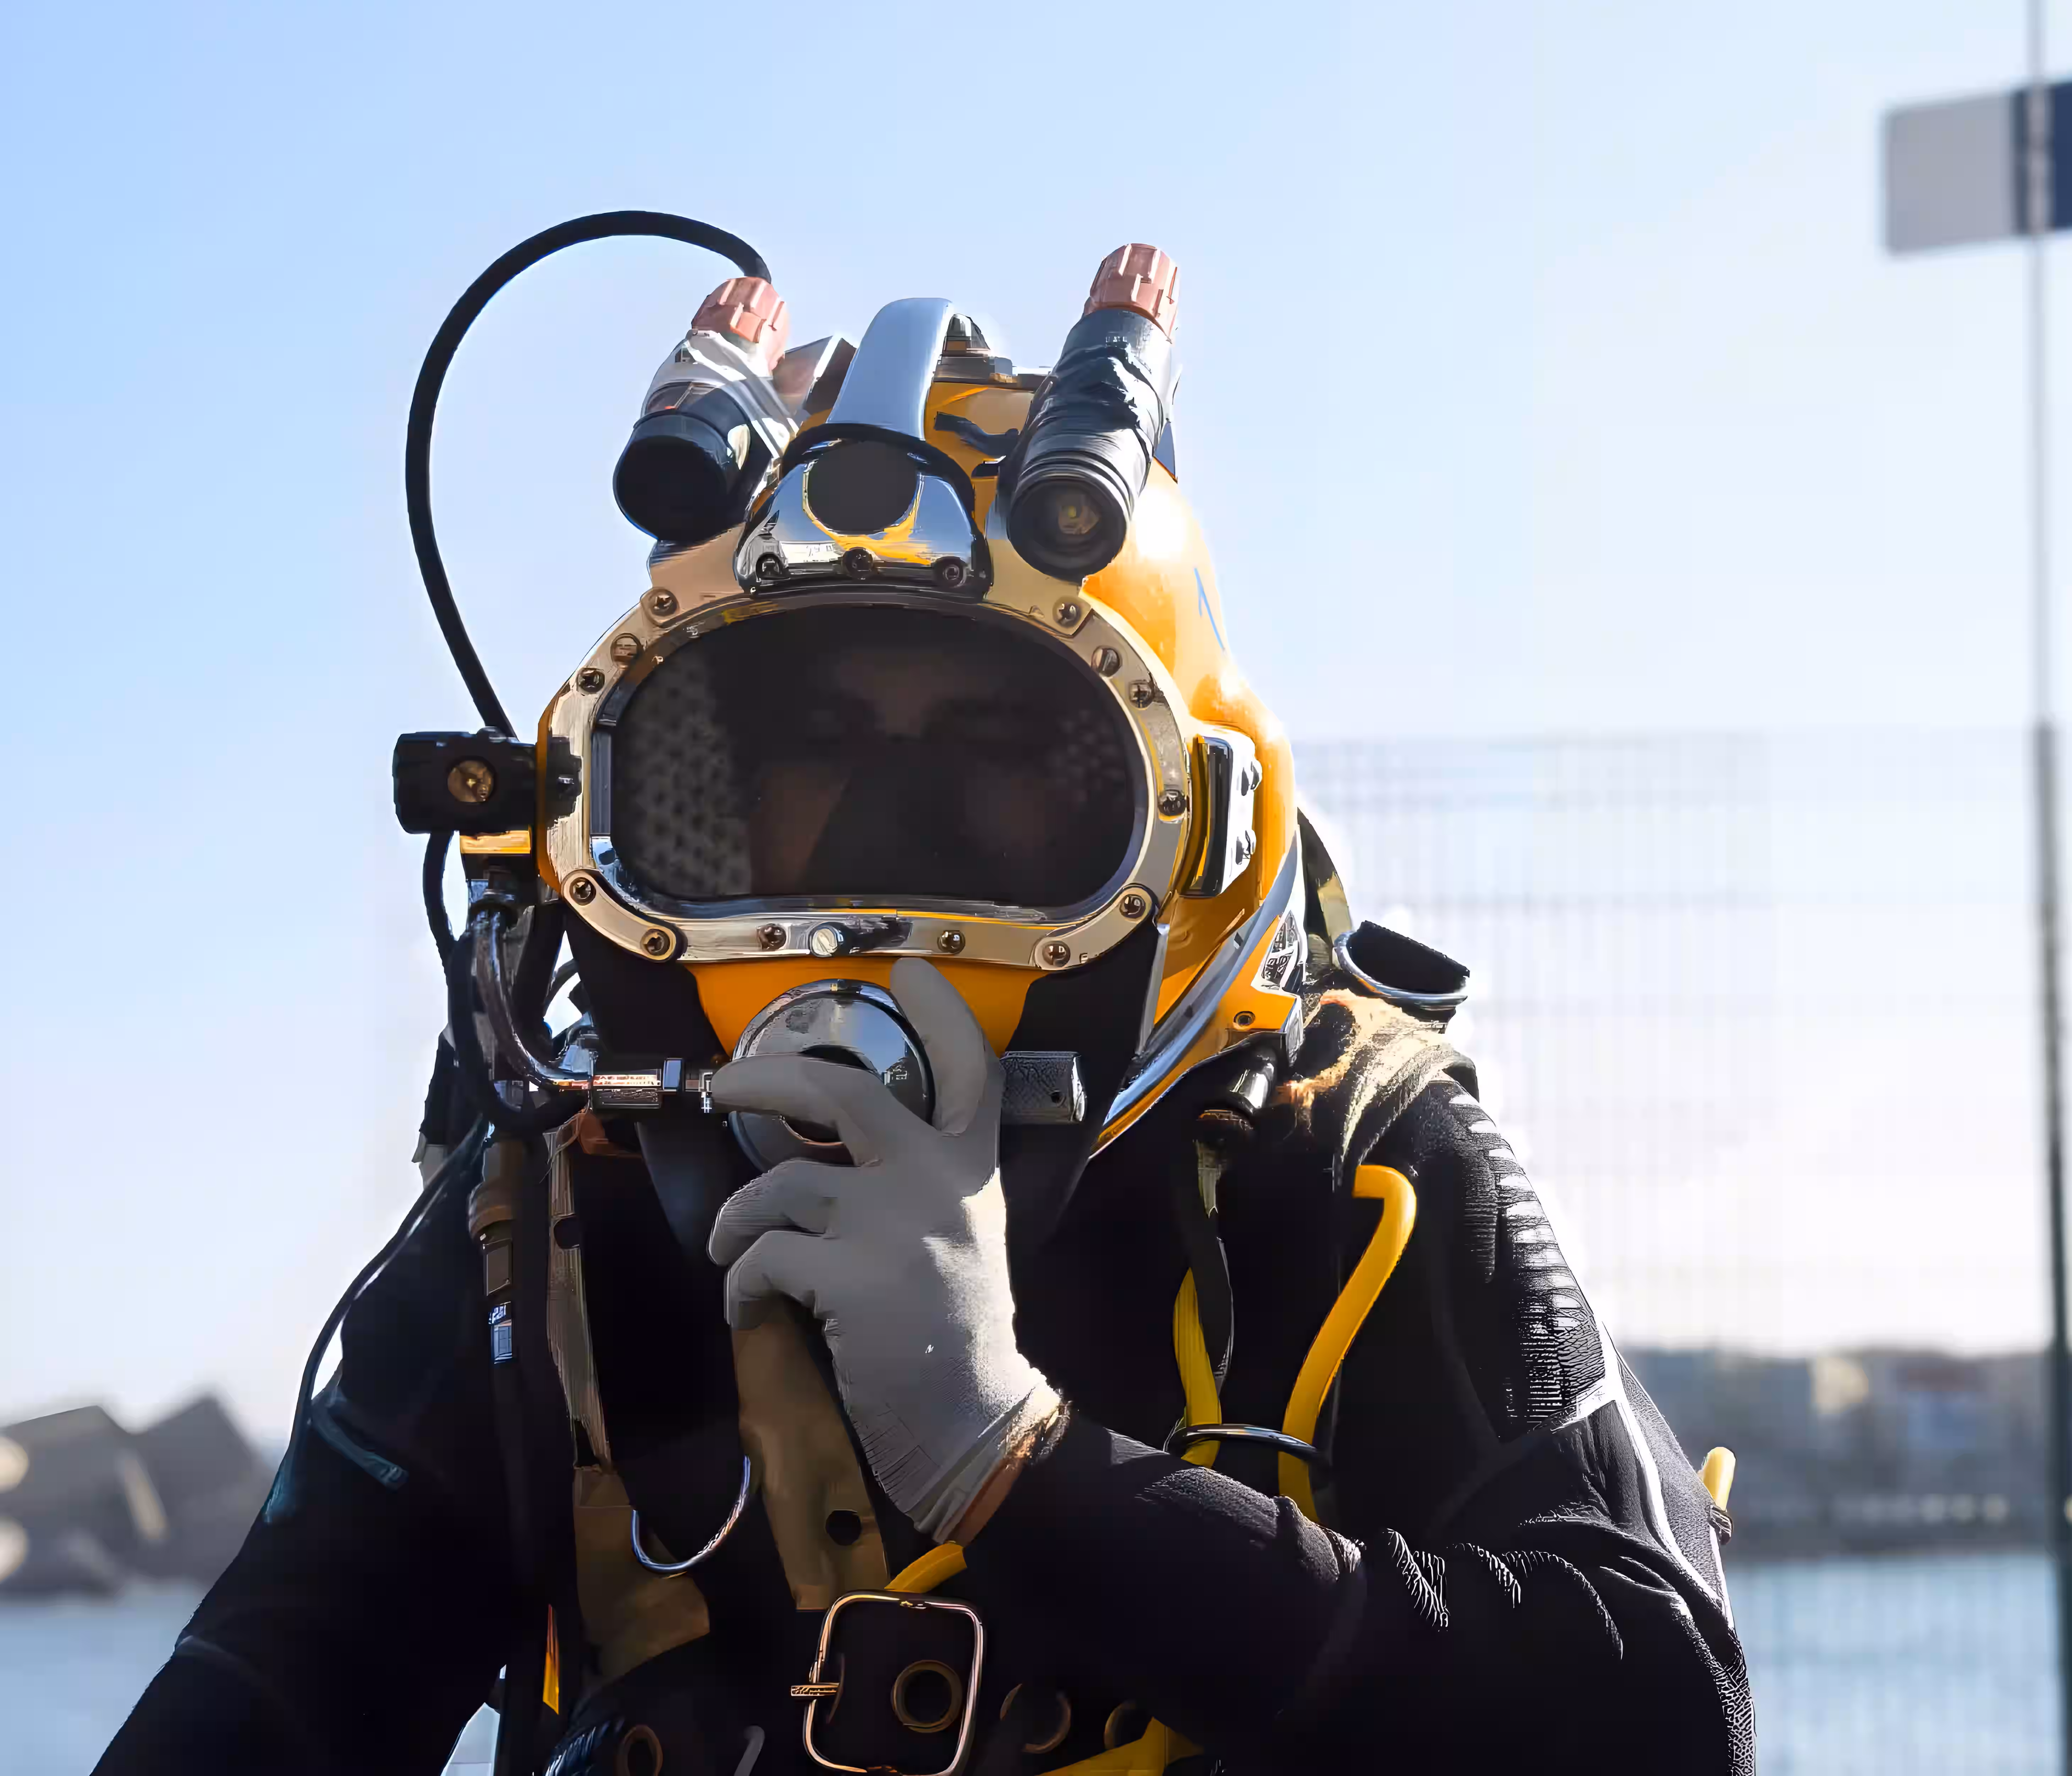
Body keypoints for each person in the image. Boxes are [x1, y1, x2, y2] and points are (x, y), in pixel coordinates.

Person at [95, 243, 1752, 1776]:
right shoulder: (552, 1220)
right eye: (807, 745)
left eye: (1009, 751)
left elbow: (1667, 1712)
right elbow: (267, 1691)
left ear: (1191, 826)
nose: (884, 842)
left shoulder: (1339, 1160)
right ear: (638, 809)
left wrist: (1012, 1453)